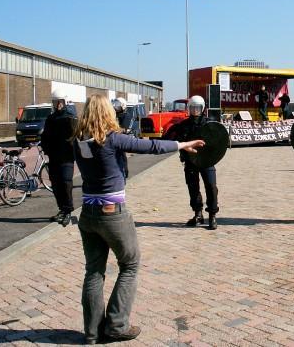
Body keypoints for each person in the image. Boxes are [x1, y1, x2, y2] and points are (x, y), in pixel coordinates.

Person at [73, 95, 203, 344]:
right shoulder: (112, 139)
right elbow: (152, 147)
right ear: (108, 113)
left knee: (93, 272)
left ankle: (91, 333)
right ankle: (116, 325)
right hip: (112, 212)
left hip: (87, 212)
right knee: (130, 265)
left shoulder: (78, 142)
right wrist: (183, 144)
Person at [174, 95, 220, 230]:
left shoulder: (210, 123)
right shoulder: (183, 125)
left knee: (211, 187)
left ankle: (212, 215)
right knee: (193, 188)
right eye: (193, 107)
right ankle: (198, 213)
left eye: (198, 108)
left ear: (202, 108)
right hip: (190, 161)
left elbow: (217, 141)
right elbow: (179, 142)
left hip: (207, 161)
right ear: (189, 108)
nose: (195, 110)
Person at [41, 89, 77, 227]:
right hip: (54, 157)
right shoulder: (51, 118)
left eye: (60, 102)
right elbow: (45, 136)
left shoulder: (71, 117)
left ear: (64, 102)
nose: (57, 104)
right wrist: (46, 148)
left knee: (66, 182)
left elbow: (75, 136)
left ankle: (68, 210)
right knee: (55, 184)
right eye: (55, 102)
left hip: (67, 157)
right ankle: (62, 209)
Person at [112, 97, 131, 179]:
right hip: (115, 138)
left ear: (123, 106)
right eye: (115, 105)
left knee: (122, 156)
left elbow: (124, 129)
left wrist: (113, 130)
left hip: (122, 139)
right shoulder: (114, 114)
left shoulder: (126, 115)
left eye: (118, 105)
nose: (116, 107)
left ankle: (124, 172)